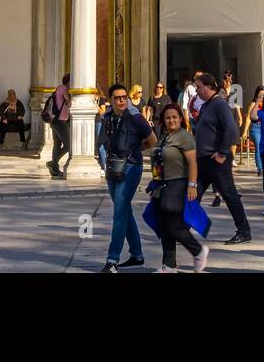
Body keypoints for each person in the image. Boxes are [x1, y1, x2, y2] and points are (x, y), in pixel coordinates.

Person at [98, 82, 156, 273]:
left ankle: (112, 260)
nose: (121, 100)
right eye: (117, 98)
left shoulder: (135, 118)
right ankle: (137, 254)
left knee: (120, 213)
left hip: (131, 167)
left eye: (124, 97)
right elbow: (103, 142)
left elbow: (152, 139)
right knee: (123, 210)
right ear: (111, 100)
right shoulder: (108, 118)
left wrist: (136, 150)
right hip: (113, 167)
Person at [148, 103, 208, 272]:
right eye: (167, 117)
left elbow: (192, 162)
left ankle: (198, 250)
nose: (171, 120)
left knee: (173, 225)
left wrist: (192, 185)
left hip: (178, 184)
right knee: (164, 225)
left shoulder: (184, 137)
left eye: (174, 117)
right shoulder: (165, 137)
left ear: (181, 118)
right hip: (162, 185)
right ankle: (169, 265)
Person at [193, 72, 251, 245]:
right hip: (203, 159)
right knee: (193, 194)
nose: (197, 90)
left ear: (209, 87)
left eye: (199, 87)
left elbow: (231, 130)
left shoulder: (219, 105)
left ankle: (244, 230)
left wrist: (222, 152)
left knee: (229, 194)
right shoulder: (206, 105)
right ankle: (181, 227)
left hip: (216, 160)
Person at [47, 74, 71, 179]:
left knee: (57, 145)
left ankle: (55, 170)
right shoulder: (63, 88)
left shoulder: (61, 88)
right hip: (59, 121)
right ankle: (53, 163)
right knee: (68, 145)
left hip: (58, 121)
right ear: (68, 81)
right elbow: (69, 102)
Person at [241, 84, 264, 175]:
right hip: (256, 128)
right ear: (256, 95)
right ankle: (260, 168)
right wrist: (245, 132)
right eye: (260, 94)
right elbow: (248, 117)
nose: (262, 97)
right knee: (258, 147)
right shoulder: (253, 104)